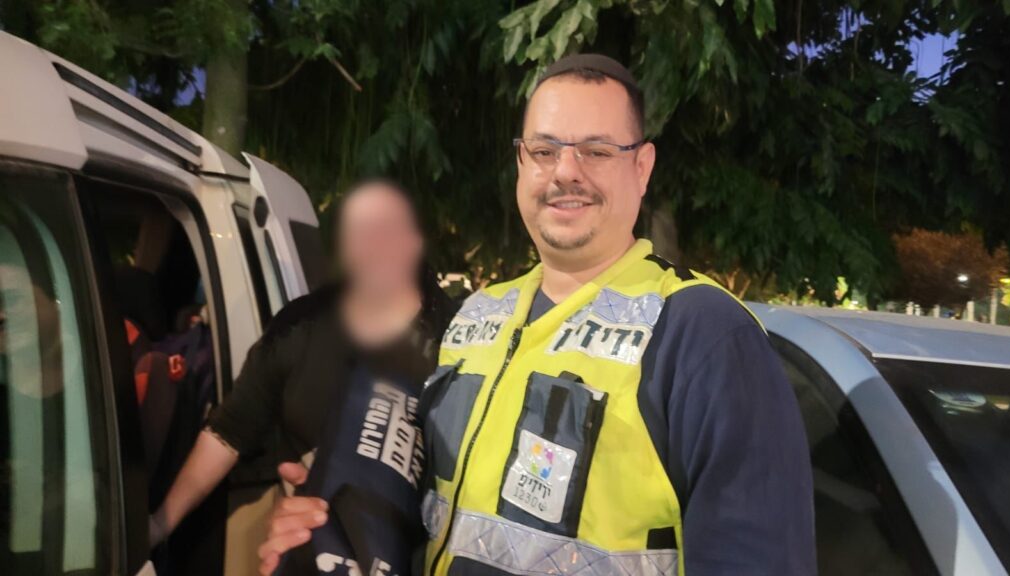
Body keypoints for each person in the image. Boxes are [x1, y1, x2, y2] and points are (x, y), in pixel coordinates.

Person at [261, 54, 816, 576]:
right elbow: (426, 514)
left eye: (597, 151)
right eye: (545, 149)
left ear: (642, 167)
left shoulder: (705, 336)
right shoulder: (476, 318)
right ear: (521, 162)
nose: (565, 171)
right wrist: (338, 513)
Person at [149, 179, 456, 561]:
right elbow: (227, 433)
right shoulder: (301, 326)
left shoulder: (460, 341)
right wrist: (160, 523)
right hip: (306, 547)